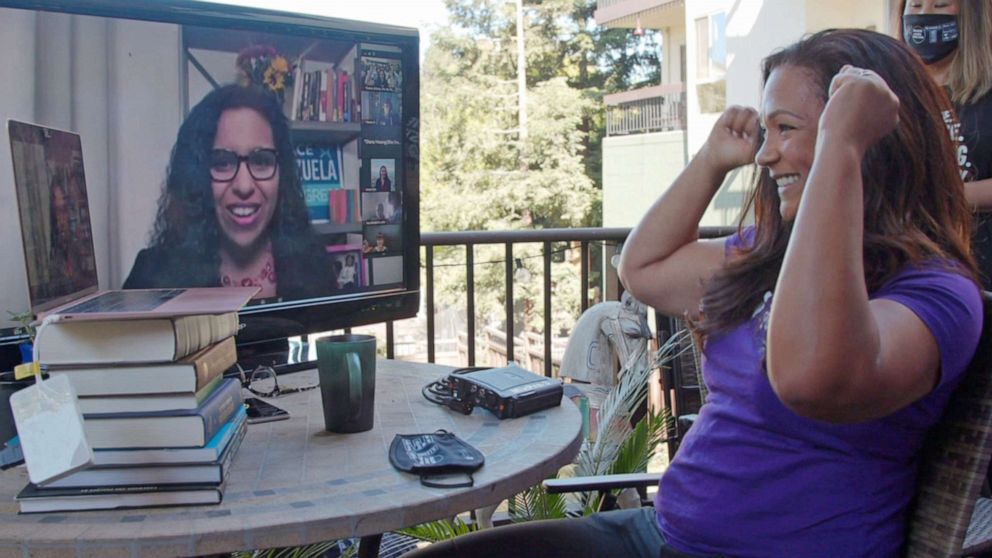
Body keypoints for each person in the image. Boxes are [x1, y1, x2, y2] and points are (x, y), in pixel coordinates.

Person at [405, 29, 983, 558]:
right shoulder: (765, 256)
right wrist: (710, 162)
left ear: (868, 141)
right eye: (767, 130)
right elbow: (645, 269)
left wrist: (841, 148)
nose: (765, 153)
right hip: (661, 535)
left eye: (788, 129)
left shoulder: (938, 294)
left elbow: (811, 378)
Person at [123, 84, 335, 299]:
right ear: (197, 176)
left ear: (283, 174)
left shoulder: (316, 268)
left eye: (261, 160)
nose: (244, 186)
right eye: (222, 163)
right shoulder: (151, 276)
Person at [899, 0, 992, 288]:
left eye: (940, 5)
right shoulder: (892, 95)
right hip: (915, 274)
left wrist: (943, 198)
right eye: (915, 5)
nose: (925, 15)